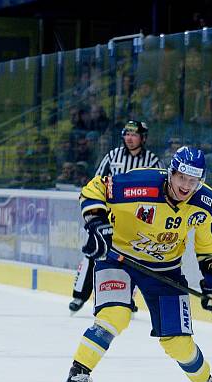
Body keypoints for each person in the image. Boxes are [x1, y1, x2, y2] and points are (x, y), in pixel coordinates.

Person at [59, 147, 212, 382]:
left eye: (193, 180)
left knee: (179, 343)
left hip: (165, 269)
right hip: (119, 258)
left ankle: (206, 380)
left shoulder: (207, 204)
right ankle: (76, 378)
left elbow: (209, 248)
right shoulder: (139, 185)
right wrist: (97, 222)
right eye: (182, 178)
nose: (186, 186)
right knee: (115, 315)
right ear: (171, 173)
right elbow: (94, 188)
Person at [69, 120, 163, 314]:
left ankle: (126, 297)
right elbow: (97, 182)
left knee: (132, 258)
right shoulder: (113, 156)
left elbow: (162, 190)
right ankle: (79, 296)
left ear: (143, 138)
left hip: (138, 219)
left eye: (134, 134)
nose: (129, 138)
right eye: (126, 134)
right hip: (109, 216)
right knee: (94, 250)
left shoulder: (153, 161)